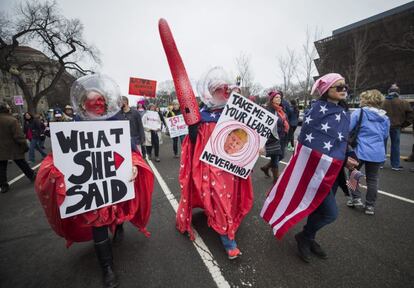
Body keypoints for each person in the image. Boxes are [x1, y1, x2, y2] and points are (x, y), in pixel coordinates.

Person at [35, 74, 154, 288]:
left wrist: (134, 165)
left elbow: (129, 153)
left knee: (116, 215)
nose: (99, 105)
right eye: (93, 101)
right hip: (93, 191)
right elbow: (58, 159)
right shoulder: (72, 128)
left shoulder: (116, 124)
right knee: (98, 223)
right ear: (82, 104)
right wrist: (55, 171)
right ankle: (107, 267)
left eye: (102, 101)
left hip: (113, 186)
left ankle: (118, 227)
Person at [177, 69, 253, 260]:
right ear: (211, 92)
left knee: (225, 197)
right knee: (219, 197)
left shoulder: (235, 113)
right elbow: (192, 145)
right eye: (219, 90)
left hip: (230, 167)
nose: (223, 93)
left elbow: (249, 136)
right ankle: (229, 241)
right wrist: (193, 132)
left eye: (225, 89)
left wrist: (255, 147)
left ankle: (221, 222)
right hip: (209, 167)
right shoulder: (201, 116)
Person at [294, 73, 358, 262]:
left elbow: (341, 140)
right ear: (326, 90)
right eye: (338, 87)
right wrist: (340, 158)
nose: (343, 90)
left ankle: (309, 238)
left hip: (335, 171)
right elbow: (310, 141)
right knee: (331, 213)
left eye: (345, 86)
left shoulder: (344, 113)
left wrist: (349, 154)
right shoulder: (316, 110)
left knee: (318, 209)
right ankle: (304, 236)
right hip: (317, 170)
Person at [348, 90, 390, 215]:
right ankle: (370, 206)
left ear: (366, 100)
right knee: (373, 179)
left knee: (353, 174)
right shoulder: (385, 117)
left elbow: (348, 129)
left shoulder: (359, 113)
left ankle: (355, 198)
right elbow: (385, 135)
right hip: (377, 152)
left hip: (359, 150)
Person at [0, 102, 36, 193]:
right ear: (6, 109)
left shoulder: (10, 119)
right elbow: (19, 136)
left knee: (1, 167)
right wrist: (24, 146)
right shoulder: (11, 120)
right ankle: (32, 175)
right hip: (14, 147)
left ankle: (3, 185)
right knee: (22, 163)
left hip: (1, 149)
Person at [382, 84, 414, 171]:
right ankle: (395, 165)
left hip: (383, 126)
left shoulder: (382, 102)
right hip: (397, 126)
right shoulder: (403, 102)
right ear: (398, 93)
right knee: (395, 146)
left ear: (389, 92)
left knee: (382, 145)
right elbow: (411, 116)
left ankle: (380, 163)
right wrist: (403, 124)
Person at [260, 90, 289, 183]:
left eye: (280, 97)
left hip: (282, 137)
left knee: (281, 155)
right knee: (275, 158)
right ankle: (276, 179)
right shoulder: (269, 110)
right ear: (272, 99)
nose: (279, 99)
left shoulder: (280, 109)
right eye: (276, 97)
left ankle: (266, 167)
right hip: (273, 138)